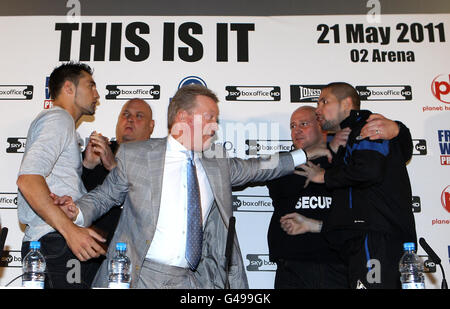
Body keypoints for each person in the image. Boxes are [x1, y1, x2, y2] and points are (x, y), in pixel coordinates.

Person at [55, 84, 330, 288]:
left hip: (192, 282)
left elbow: (260, 167)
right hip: (139, 277)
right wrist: (75, 212)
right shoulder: (137, 155)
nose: (215, 126)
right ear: (185, 118)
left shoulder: (217, 162)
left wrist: (307, 153)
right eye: (210, 118)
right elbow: (104, 196)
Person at [289, 82, 417, 289]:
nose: (317, 109)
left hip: (374, 237)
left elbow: (369, 170)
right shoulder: (345, 138)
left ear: (347, 103)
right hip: (364, 239)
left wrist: (325, 177)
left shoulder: (367, 126)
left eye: (324, 102)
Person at [16, 62, 106, 289]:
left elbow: (54, 180)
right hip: (55, 241)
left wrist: (86, 164)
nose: (96, 94)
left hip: (52, 242)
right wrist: (70, 231)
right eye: (91, 85)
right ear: (69, 88)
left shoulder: (62, 125)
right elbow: (28, 179)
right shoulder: (59, 119)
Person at [266, 106, 349, 289]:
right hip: (291, 263)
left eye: (304, 124)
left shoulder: (344, 160)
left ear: (321, 126)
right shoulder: (281, 162)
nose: (297, 130)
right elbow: (279, 188)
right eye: (293, 126)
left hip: (335, 262)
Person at [80, 98, 155, 285]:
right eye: (126, 114)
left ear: (151, 126)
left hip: (135, 264)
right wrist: (87, 166)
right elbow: (76, 202)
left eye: (139, 116)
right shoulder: (98, 151)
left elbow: (147, 207)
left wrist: (114, 167)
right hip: (91, 258)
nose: (130, 120)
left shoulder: (157, 162)